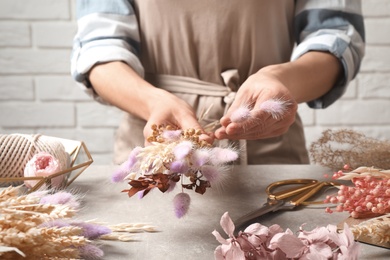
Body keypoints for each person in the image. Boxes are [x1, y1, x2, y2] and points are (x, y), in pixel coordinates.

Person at [71, 0, 365, 165]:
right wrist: (153, 101)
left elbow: (337, 38)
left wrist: (279, 79)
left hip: (269, 149)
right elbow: (99, 49)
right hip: (155, 149)